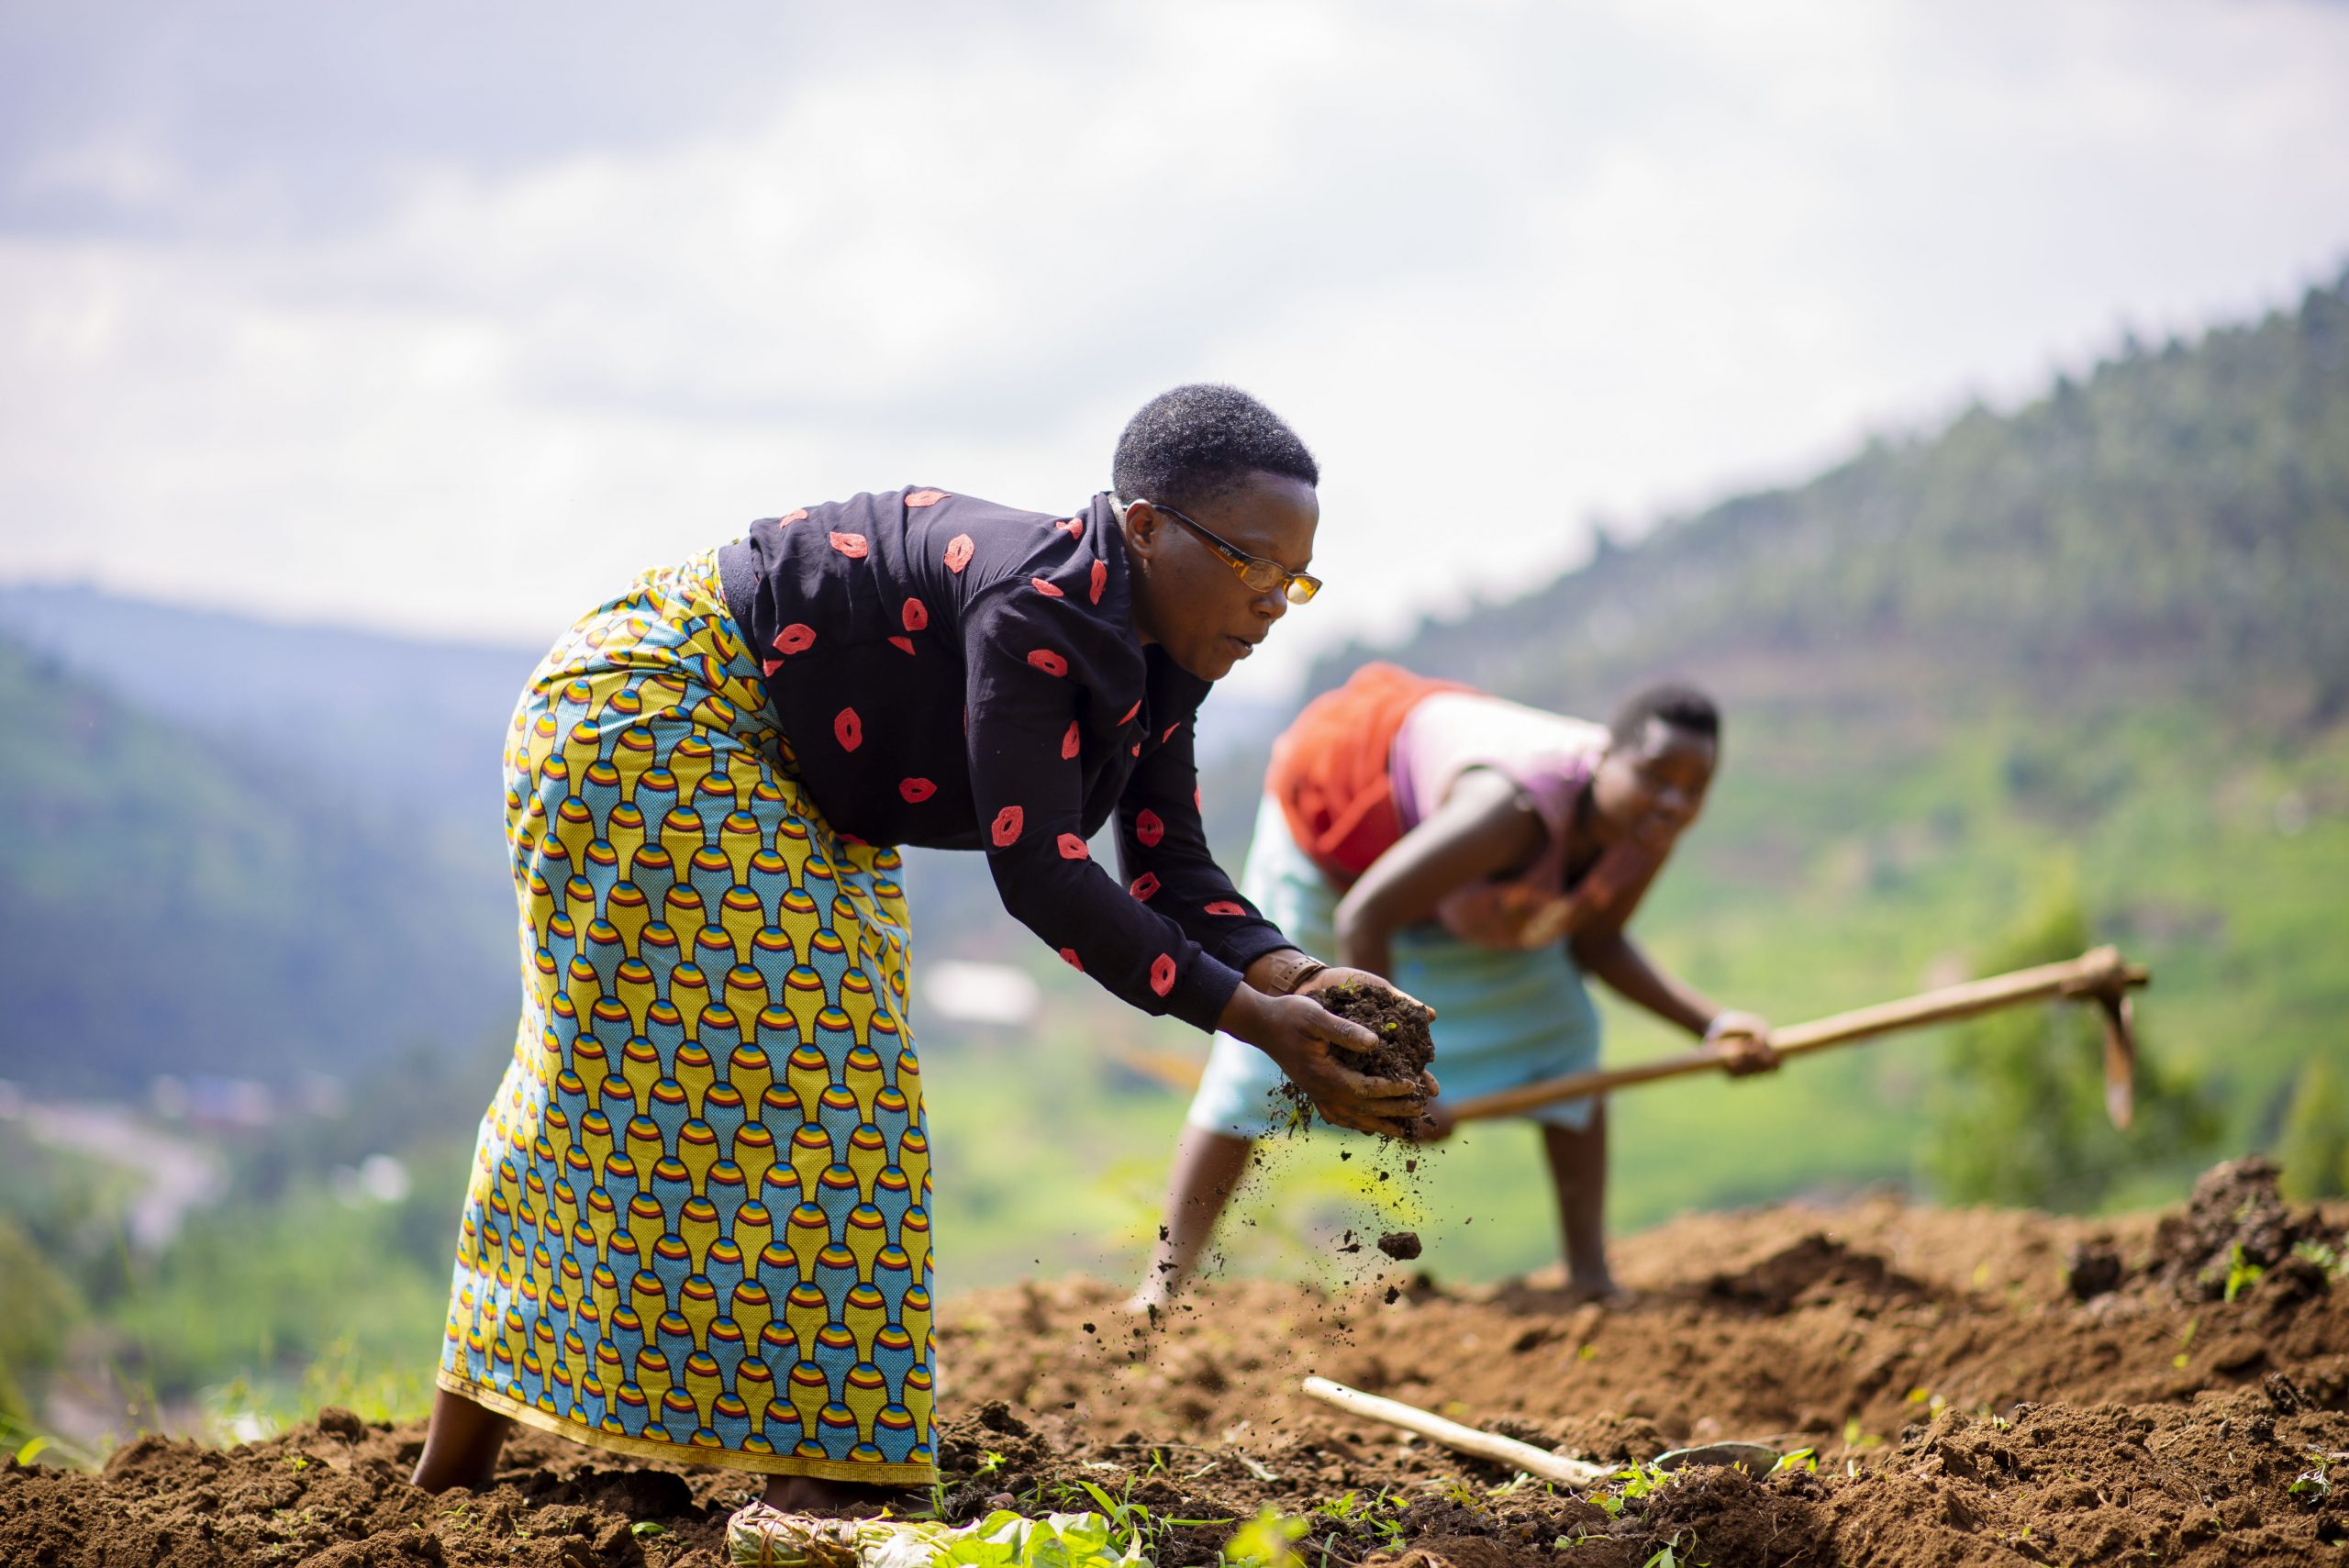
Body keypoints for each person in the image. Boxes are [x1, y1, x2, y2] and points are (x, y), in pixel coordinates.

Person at [407, 386, 1435, 1520]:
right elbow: (1042, 871)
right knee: (827, 1098)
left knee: (632, 1081)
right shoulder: (1036, 604)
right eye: (1252, 561)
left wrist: (1295, 977)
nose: (1272, 601)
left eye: (1294, 577)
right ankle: (814, 1477)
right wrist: (1252, 1024)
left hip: (781, 765)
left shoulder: (1164, 651)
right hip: (658, 717)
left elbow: (1167, 864)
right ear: (1145, 526)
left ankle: (498, 1461)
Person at [1139, 664, 1776, 1307]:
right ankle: (1162, 1289)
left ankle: (1589, 1277)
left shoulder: (1643, 824)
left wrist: (1713, 1026)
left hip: (1450, 880)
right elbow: (1366, 915)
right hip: (1342, 844)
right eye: (1656, 776)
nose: (1673, 800)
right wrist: (1401, 1084)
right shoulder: (1511, 810)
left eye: (1695, 788)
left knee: (1564, 1033)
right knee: (1265, 1056)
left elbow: (1596, 940)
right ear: (1608, 757)